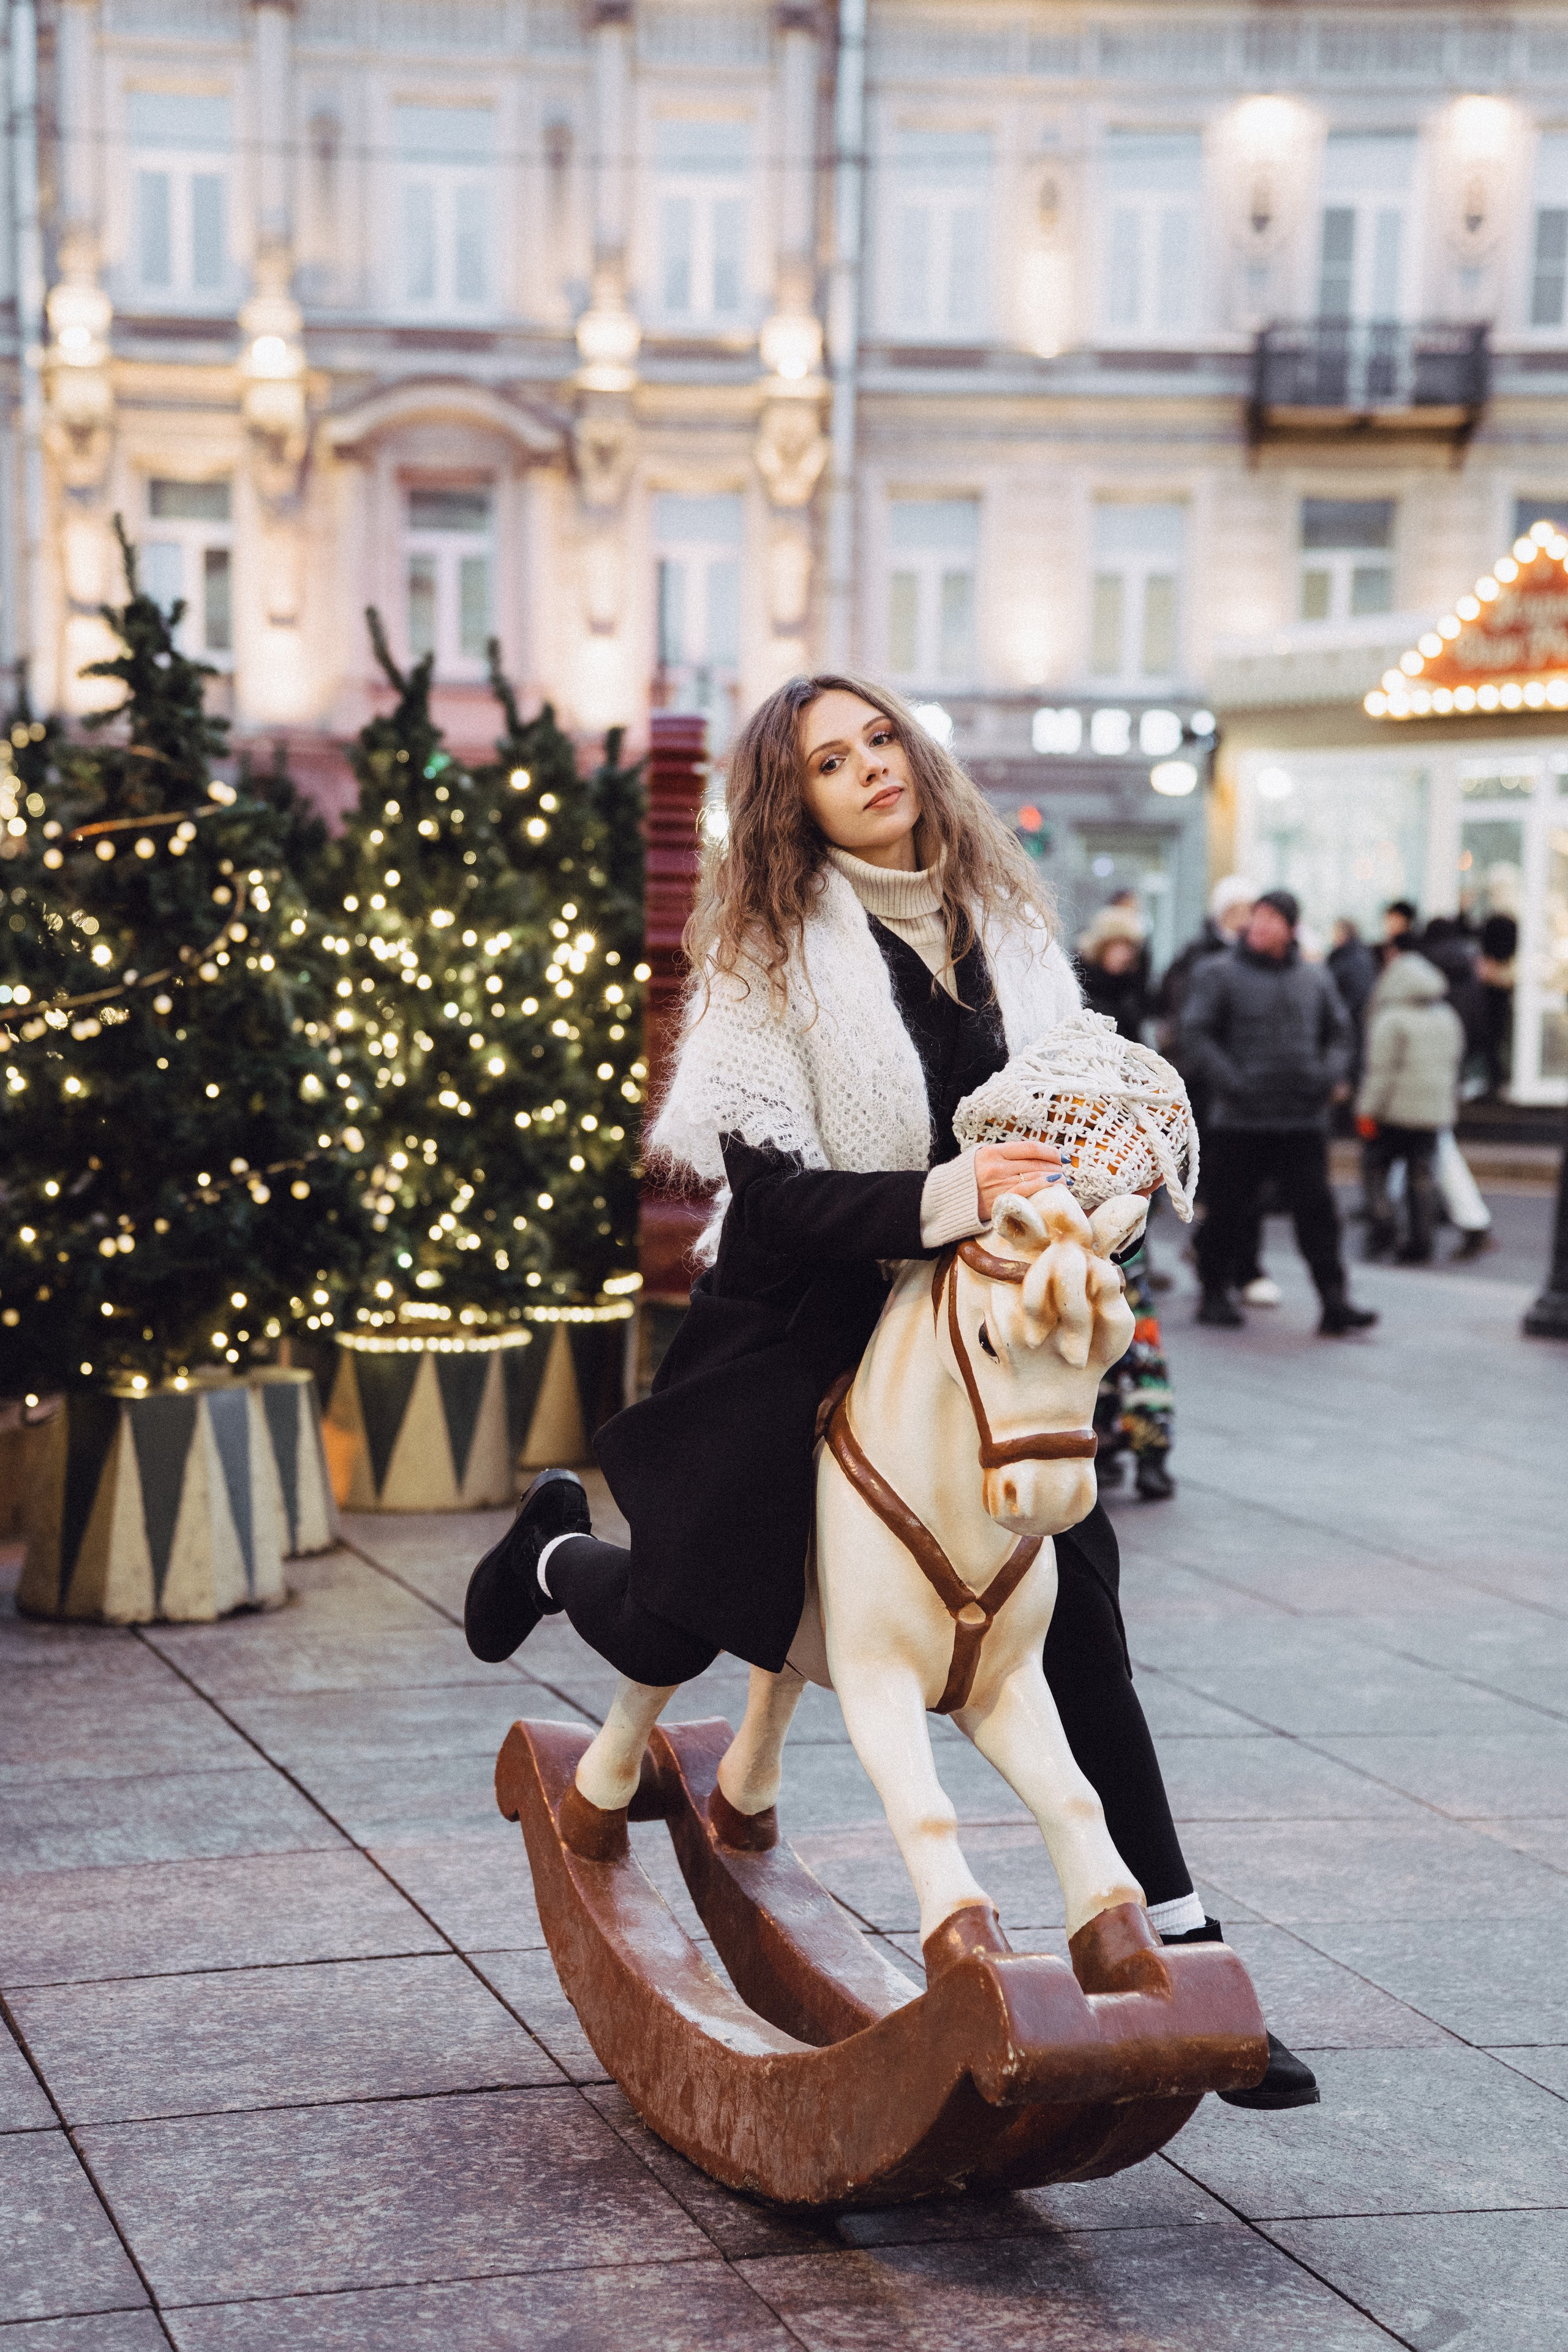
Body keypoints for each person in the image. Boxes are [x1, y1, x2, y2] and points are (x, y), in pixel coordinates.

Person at [464, 673, 1316, 2108]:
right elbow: (774, 1195)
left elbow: (1070, 1114)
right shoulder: (767, 954)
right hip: (799, 1312)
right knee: (690, 1605)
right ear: (790, 799)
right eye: (826, 758)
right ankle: (553, 1549)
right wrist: (948, 1190)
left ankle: (1166, 1926)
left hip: (977, 1328)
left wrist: (1085, 1197)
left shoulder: (1015, 932)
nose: (867, 768)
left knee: (1077, 1595)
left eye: (879, 740)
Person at [1182, 888, 1378, 1336]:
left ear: (1291, 928)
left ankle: (1334, 1301)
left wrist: (1327, 1076)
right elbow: (1196, 1035)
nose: (1261, 925)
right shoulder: (1219, 973)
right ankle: (1214, 1292)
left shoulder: (1315, 978)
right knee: (1228, 1208)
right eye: (1257, 916)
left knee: (1318, 1213)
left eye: (1273, 918)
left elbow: (1340, 1034)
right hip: (1240, 1120)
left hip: (1302, 1120)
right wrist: (1233, 1082)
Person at [1158, 877, 1279, 1308]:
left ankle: (1236, 1262)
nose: (1248, 920)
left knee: (1250, 1185)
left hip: (1255, 1088)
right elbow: (1188, 1026)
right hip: (1211, 1087)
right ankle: (1225, 1267)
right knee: (1225, 1184)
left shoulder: (1265, 960)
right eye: (1240, 910)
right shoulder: (1198, 959)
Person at [1357, 949, 1464, 1264]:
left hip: (1393, 1113)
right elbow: (1454, 1063)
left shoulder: (1391, 1019)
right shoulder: (1447, 1015)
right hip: (1433, 1113)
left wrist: (1366, 1111)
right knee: (1422, 1178)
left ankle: (1383, 1226)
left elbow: (1380, 1071)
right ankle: (1421, 1243)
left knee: (1375, 1171)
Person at [1093, 1243, 1175, 1499]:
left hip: (1054, 1234)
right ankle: (1151, 1458)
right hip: (1116, 1237)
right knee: (1137, 1339)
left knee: (1081, 1338)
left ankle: (1096, 1441)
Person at [1077, 903, 1149, 1040]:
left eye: (1128, 947)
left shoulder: (1131, 990)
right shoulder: (1082, 986)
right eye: (1116, 945)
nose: (1124, 954)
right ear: (1101, 947)